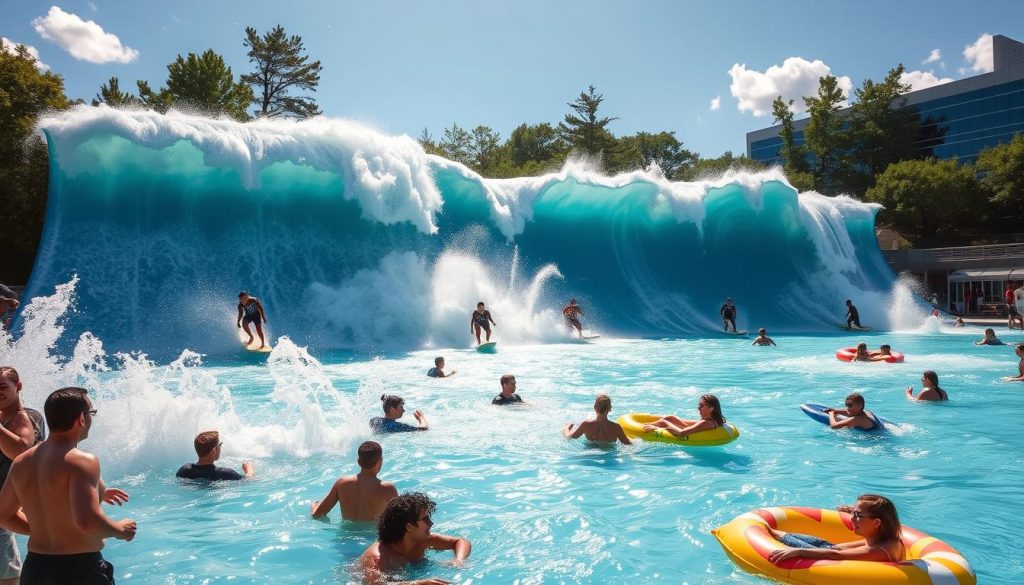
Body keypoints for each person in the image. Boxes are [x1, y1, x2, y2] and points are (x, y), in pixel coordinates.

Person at [0, 387, 136, 584]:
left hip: (35, 569)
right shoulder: (82, 460)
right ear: (81, 418)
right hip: (78, 569)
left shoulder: (22, 461)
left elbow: (3, 515)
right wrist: (121, 530)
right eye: (91, 413)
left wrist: (42, 529)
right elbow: (88, 522)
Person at [358, 492, 471, 585]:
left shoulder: (421, 540)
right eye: (425, 519)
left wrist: (459, 560)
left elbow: (460, 542)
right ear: (409, 527)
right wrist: (415, 584)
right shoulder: (377, 557)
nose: (431, 523)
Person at [0, 367, 45, 584]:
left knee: (6, 571)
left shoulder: (26, 417)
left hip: (10, 499)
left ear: (18, 387)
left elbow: (20, 451)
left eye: (2, 387)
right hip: (10, 503)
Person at [767, 494, 904, 564]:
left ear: (877, 522)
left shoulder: (882, 550)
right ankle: (781, 535)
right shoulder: (884, 537)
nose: (852, 518)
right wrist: (853, 511)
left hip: (836, 560)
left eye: (858, 515)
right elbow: (834, 550)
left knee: (824, 549)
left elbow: (835, 556)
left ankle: (779, 535)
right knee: (826, 545)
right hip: (834, 550)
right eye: (853, 513)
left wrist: (798, 552)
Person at [311, 441, 398, 522]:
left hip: (345, 537)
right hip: (372, 537)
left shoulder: (341, 483)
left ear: (358, 462)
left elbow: (318, 515)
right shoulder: (387, 488)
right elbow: (400, 520)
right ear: (380, 461)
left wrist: (314, 506)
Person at [176, 431, 254, 481]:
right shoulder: (225, 473)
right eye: (219, 445)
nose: (220, 448)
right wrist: (248, 469)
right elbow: (248, 480)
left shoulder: (185, 470)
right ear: (214, 450)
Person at [641, 394, 726, 438]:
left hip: (683, 433)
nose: (698, 408)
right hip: (693, 429)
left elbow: (681, 433)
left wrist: (660, 427)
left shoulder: (706, 423)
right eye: (698, 405)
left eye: (702, 406)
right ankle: (644, 425)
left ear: (711, 408)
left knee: (664, 421)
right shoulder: (712, 420)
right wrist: (669, 420)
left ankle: (640, 427)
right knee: (670, 418)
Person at [563, 394, 631, 445]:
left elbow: (570, 437)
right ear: (610, 408)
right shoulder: (616, 427)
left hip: (590, 455)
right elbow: (628, 444)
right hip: (609, 457)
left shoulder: (586, 424)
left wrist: (566, 427)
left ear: (594, 407)